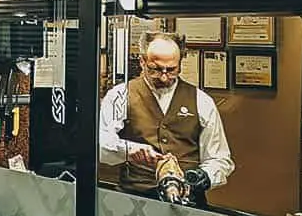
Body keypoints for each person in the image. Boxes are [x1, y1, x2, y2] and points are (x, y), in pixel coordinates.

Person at [99, 32, 234, 206]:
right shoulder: (120, 95)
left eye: (171, 70)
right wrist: (129, 150)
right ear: (142, 62)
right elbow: (101, 145)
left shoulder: (202, 101)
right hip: (134, 200)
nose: (164, 77)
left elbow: (220, 158)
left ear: (180, 65)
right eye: (155, 69)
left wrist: (204, 176)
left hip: (188, 203)